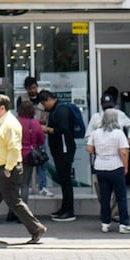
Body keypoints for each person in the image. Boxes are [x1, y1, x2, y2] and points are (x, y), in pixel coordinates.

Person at [0, 94, 47, 244]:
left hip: (5, 169)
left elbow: (14, 148)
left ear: (2, 108)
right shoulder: (1, 121)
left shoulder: (9, 124)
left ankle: (36, 228)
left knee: (14, 202)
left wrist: (8, 168)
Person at [87, 108, 130, 234]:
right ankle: (124, 224)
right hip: (116, 166)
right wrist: (126, 166)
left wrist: (99, 153)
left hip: (100, 167)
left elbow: (89, 148)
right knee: (121, 197)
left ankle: (105, 223)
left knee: (105, 197)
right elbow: (123, 151)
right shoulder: (119, 133)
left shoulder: (96, 133)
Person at [39, 90, 77, 221]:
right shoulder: (55, 110)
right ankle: (64, 208)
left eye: (44, 104)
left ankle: (69, 210)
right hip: (60, 149)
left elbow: (64, 130)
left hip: (64, 149)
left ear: (49, 99)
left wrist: (48, 130)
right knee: (63, 179)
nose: (45, 107)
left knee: (65, 180)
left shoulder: (61, 110)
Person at [20, 76, 53, 196]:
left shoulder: (42, 98)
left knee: (42, 160)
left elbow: (45, 118)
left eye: (34, 87)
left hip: (39, 133)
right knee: (24, 164)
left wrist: (35, 123)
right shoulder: (22, 99)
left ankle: (43, 186)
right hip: (25, 135)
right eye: (30, 88)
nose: (33, 90)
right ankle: (24, 187)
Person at [17, 99, 46, 206]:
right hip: (28, 155)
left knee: (14, 185)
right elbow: (42, 140)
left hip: (14, 155)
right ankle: (23, 212)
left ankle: (12, 211)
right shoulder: (35, 123)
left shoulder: (14, 122)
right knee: (25, 184)